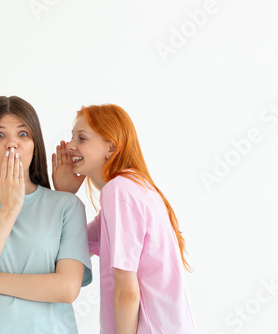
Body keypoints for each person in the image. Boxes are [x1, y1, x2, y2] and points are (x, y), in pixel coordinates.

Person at [0, 96, 92, 334]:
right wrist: (9, 209)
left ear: (35, 145)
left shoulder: (67, 206)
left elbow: (67, 289)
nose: (12, 144)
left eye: (23, 134)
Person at [52, 104, 197, 334]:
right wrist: (63, 196)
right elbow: (66, 249)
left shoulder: (119, 191)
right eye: (72, 137)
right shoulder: (133, 188)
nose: (70, 146)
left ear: (111, 147)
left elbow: (127, 292)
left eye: (82, 138)